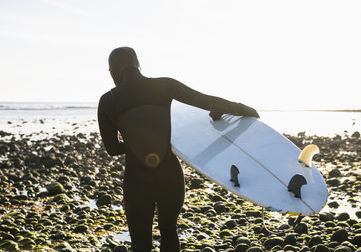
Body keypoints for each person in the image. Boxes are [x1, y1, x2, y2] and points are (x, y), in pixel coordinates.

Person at [98, 47, 259, 252]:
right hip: (170, 177)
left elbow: (112, 149)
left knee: (140, 243)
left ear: (112, 72)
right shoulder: (165, 85)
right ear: (138, 64)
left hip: (136, 182)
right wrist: (243, 109)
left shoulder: (107, 100)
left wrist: (133, 143)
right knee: (169, 231)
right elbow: (206, 101)